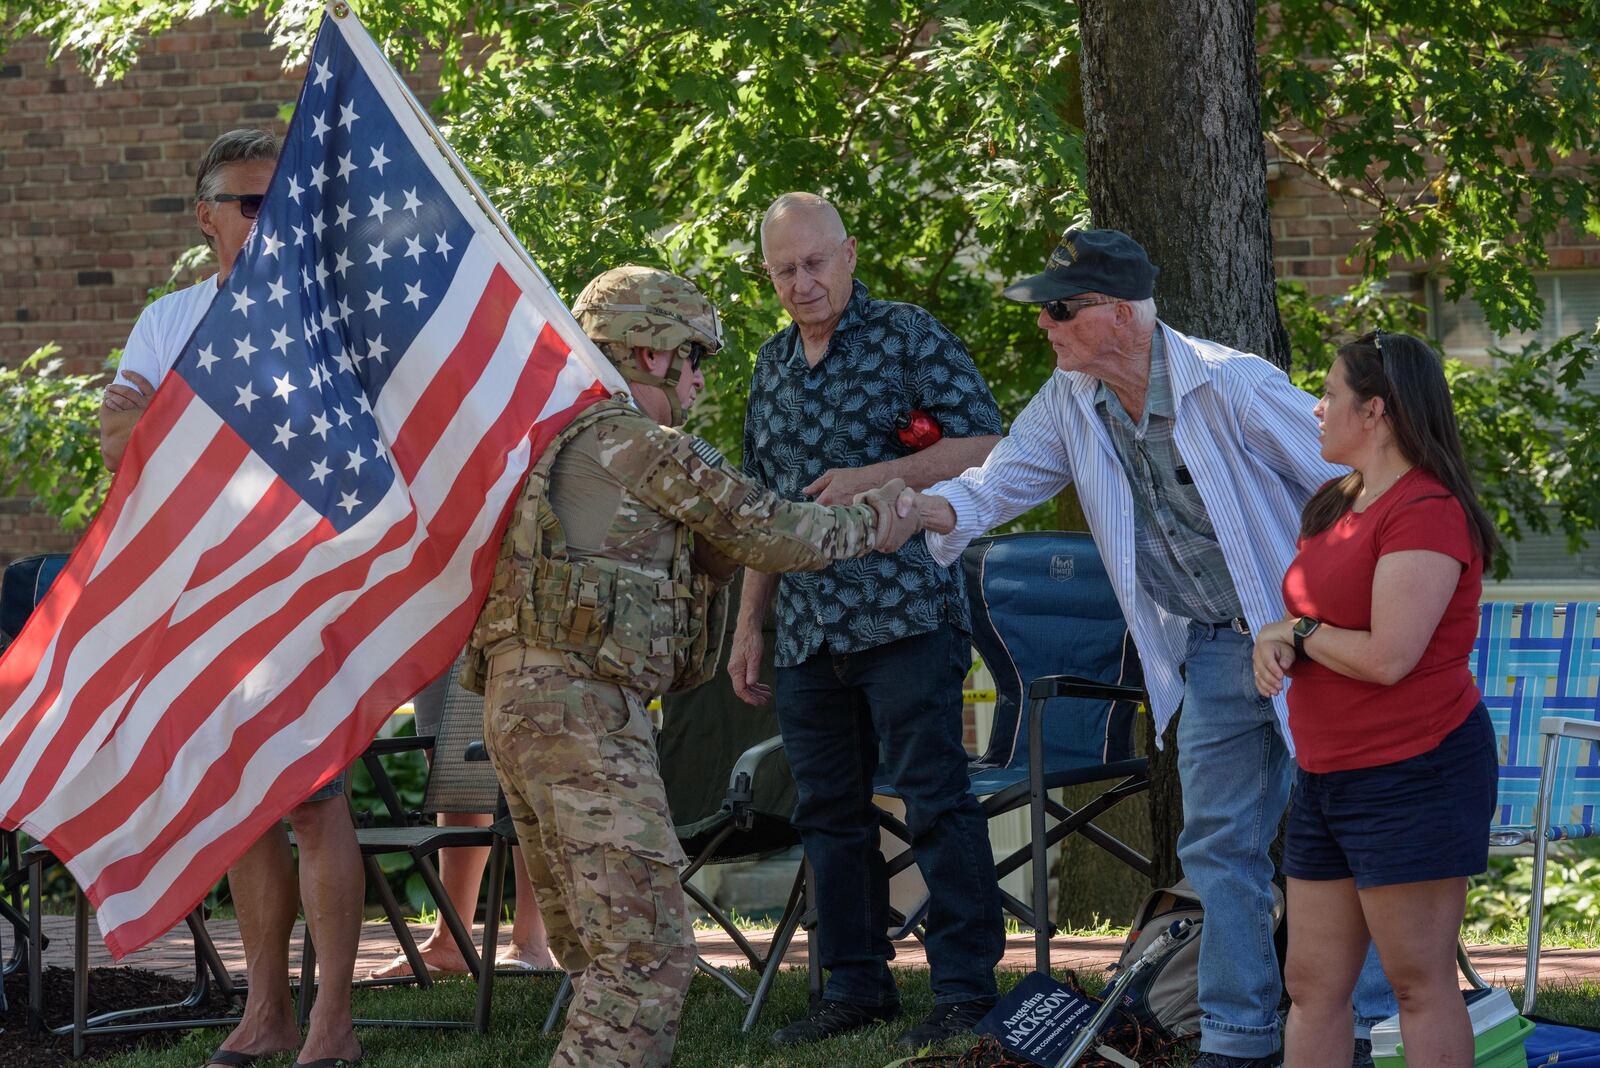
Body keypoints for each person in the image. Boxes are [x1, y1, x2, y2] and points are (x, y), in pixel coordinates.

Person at [893, 228, 1397, 1067]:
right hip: (1209, 648)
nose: (1044, 326)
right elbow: (997, 483)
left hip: (1308, 649)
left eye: (1059, 309)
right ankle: (1239, 1039)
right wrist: (916, 508)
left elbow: (1353, 483)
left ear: (1118, 314)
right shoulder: (1068, 397)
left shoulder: (1230, 384)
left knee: (1350, 831)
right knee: (1217, 848)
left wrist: (1351, 627)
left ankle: (1379, 1032)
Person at [464, 264, 921, 1068]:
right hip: (579, 714)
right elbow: (773, 532)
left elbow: (699, 550)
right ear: (652, 353)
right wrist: (882, 512)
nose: (704, 378)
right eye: (696, 357)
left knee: (606, 960)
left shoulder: (560, 439)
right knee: (647, 960)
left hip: (536, 709)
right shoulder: (634, 440)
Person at [98, 129, 365, 1068]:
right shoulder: (168, 320)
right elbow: (115, 433)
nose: (264, 217)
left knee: (314, 803)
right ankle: (266, 1016)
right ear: (203, 213)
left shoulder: (321, 317)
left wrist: (184, 427)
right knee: (247, 805)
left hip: (299, 586)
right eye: (246, 202)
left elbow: (323, 450)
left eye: (275, 201)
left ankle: (333, 1021)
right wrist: (216, 428)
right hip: (202, 596)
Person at [731, 192, 1006, 1051]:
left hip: (905, 617)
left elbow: (986, 445)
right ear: (769, 275)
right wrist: (750, 626)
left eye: (816, 262)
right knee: (828, 815)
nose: (803, 282)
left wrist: (872, 475)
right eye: (785, 269)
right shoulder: (770, 367)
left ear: (849, 255)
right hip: (809, 629)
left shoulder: (908, 336)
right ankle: (853, 987)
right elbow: (760, 513)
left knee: (935, 800)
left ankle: (965, 989)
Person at [1251, 332, 1498, 1068]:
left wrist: (1296, 627)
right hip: (1327, 773)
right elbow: (1319, 619)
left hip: (1413, 771)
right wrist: (1280, 638)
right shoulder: (1334, 503)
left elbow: (1389, 657)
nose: (1316, 409)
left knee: (1417, 983)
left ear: (1378, 410)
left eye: (1328, 395)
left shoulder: (1425, 510)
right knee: (1311, 982)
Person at [367, 659, 553, 979]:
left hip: (523, 619)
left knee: (528, 751)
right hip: (439, 616)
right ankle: (451, 941)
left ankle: (531, 941)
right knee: (452, 758)